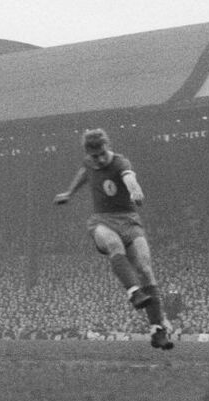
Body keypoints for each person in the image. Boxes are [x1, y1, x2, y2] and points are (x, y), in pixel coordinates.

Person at [54, 128, 174, 350]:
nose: (99, 159)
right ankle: (134, 292)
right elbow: (84, 173)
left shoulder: (120, 162)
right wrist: (69, 193)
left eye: (102, 154)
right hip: (102, 220)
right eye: (94, 156)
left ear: (107, 147)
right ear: (88, 154)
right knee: (113, 244)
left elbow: (129, 177)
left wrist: (135, 190)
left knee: (145, 269)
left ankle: (158, 330)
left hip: (129, 220)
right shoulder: (89, 163)